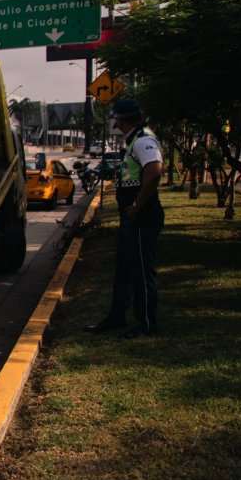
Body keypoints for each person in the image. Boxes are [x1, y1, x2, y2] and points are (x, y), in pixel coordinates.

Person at [87, 99, 164, 338]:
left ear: (121, 119)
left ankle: (147, 324)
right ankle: (116, 315)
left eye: (117, 119)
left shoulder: (143, 141)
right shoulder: (134, 140)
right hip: (130, 217)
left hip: (142, 216)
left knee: (141, 271)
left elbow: (155, 171)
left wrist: (137, 205)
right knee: (123, 270)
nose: (115, 122)